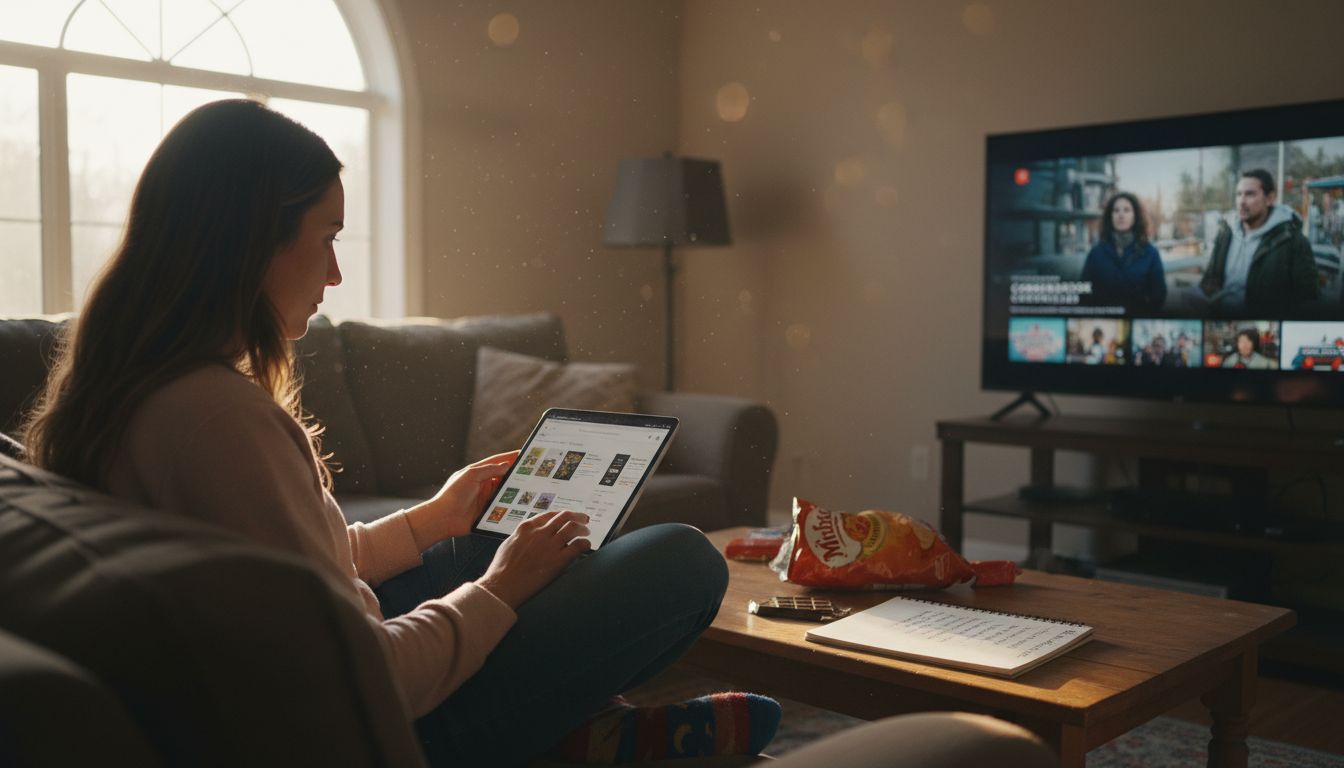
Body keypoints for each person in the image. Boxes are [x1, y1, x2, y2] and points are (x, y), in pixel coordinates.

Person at [19, 99, 780, 767]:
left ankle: (580, 722)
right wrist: (503, 587)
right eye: (327, 238)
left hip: (304, 685)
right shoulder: (222, 421)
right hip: (385, 732)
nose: (336, 275)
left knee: (487, 530)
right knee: (680, 561)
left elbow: (279, 575)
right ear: (252, 243)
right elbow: (370, 676)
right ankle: (576, 721)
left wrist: (430, 521)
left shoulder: (130, 389)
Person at [1199, 169, 1317, 316]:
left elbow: (1309, 299)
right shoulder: (1225, 233)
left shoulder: (1292, 241)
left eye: (1250, 194)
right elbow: (1209, 279)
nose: (1241, 201)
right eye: (1238, 194)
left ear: (1270, 198)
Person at [1081, 191, 1167, 313]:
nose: (1121, 215)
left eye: (1126, 210)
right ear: (1110, 216)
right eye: (1116, 210)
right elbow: (1084, 293)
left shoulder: (1150, 253)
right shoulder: (1096, 253)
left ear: (1135, 216)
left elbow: (1158, 296)